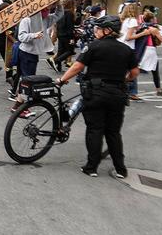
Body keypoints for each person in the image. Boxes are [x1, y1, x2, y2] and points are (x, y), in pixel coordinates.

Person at [57, 15, 139, 179]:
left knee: (95, 130)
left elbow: (77, 66)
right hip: (118, 95)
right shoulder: (127, 50)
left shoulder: (94, 46)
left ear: (107, 30)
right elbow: (134, 73)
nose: (96, 31)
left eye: (99, 28)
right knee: (113, 132)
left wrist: (62, 79)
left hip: (96, 94)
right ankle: (121, 169)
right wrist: (123, 79)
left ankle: (91, 167)